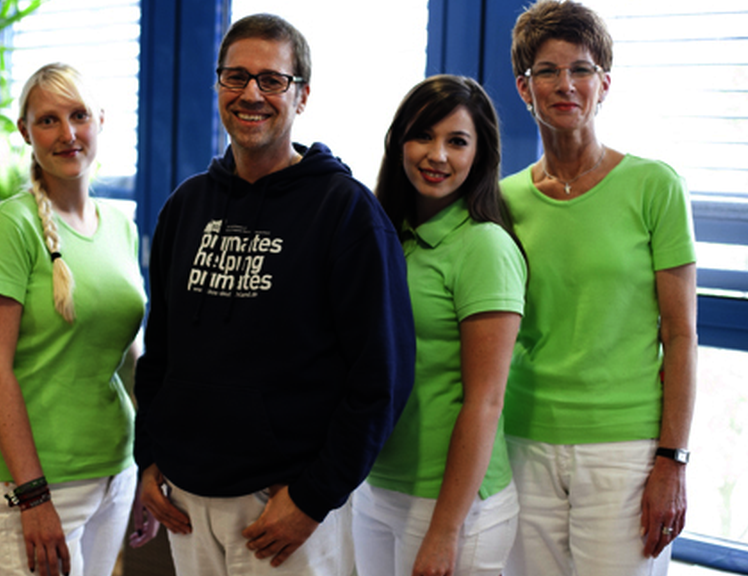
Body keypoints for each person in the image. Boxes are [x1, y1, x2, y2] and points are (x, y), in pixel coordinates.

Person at [133, 12, 416, 576]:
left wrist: (314, 497)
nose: (251, 94)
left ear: (302, 95)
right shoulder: (185, 207)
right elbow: (159, 353)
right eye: (235, 77)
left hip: (283, 507)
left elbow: (380, 378)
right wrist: (149, 458)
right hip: (186, 499)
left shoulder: (346, 212)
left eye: (272, 80)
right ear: (218, 86)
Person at [502, 2, 698, 575]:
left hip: (626, 452)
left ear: (604, 85)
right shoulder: (503, 201)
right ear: (523, 88)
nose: (566, 85)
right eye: (548, 71)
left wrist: (673, 460)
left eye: (581, 69)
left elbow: (682, 336)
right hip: (523, 443)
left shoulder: (654, 187)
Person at [0, 63, 154, 576]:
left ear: (100, 121)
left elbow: (129, 363)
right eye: (48, 120)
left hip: (114, 469)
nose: (67, 134)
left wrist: (144, 471)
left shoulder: (120, 226)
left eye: (79, 116)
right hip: (33, 481)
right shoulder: (8, 227)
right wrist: (32, 496)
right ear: (26, 132)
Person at [353, 75, 526, 576]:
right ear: (399, 142)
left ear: (480, 154)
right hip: (378, 486)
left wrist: (445, 530)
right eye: (423, 135)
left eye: (457, 141)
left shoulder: (485, 247)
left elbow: (486, 400)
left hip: (453, 506)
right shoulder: (387, 236)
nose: (437, 155)